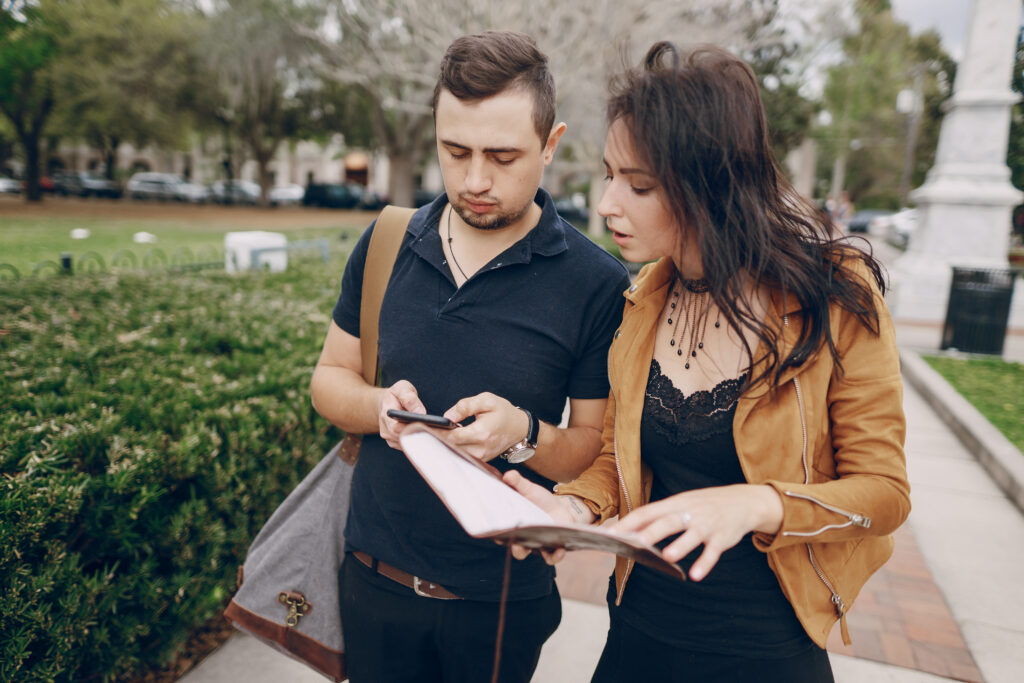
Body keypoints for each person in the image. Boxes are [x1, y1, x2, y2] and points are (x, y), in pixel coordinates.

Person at [505, 42, 910, 682]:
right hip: (637, 633)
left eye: (637, 185)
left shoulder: (834, 297)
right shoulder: (639, 302)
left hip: (766, 650)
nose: (608, 204)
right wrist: (574, 510)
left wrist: (755, 506)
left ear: (711, 185)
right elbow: (617, 455)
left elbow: (885, 495)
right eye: (610, 176)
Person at [309, 31, 630, 683]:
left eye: (502, 156)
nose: (475, 179)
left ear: (551, 145)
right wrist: (379, 408)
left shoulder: (597, 283)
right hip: (372, 585)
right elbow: (328, 381)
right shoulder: (387, 240)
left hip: (501, 603)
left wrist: (521, 434)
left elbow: (594, 447)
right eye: (455, 151)